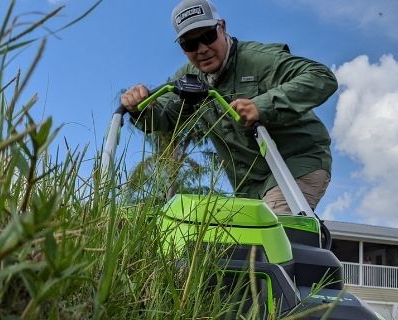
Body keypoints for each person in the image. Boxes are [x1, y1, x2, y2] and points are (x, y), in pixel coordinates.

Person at [121, 0, 337, 214]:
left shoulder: (258, 60)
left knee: (272, 228)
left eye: (208, 36)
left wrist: (262, 106)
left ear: (222, 27)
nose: (202, 49)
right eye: (190, 44)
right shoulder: (188, 79)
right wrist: (139, 107)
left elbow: (321, 77)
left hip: (296, 164)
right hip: (249, 187)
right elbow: (164, 117)